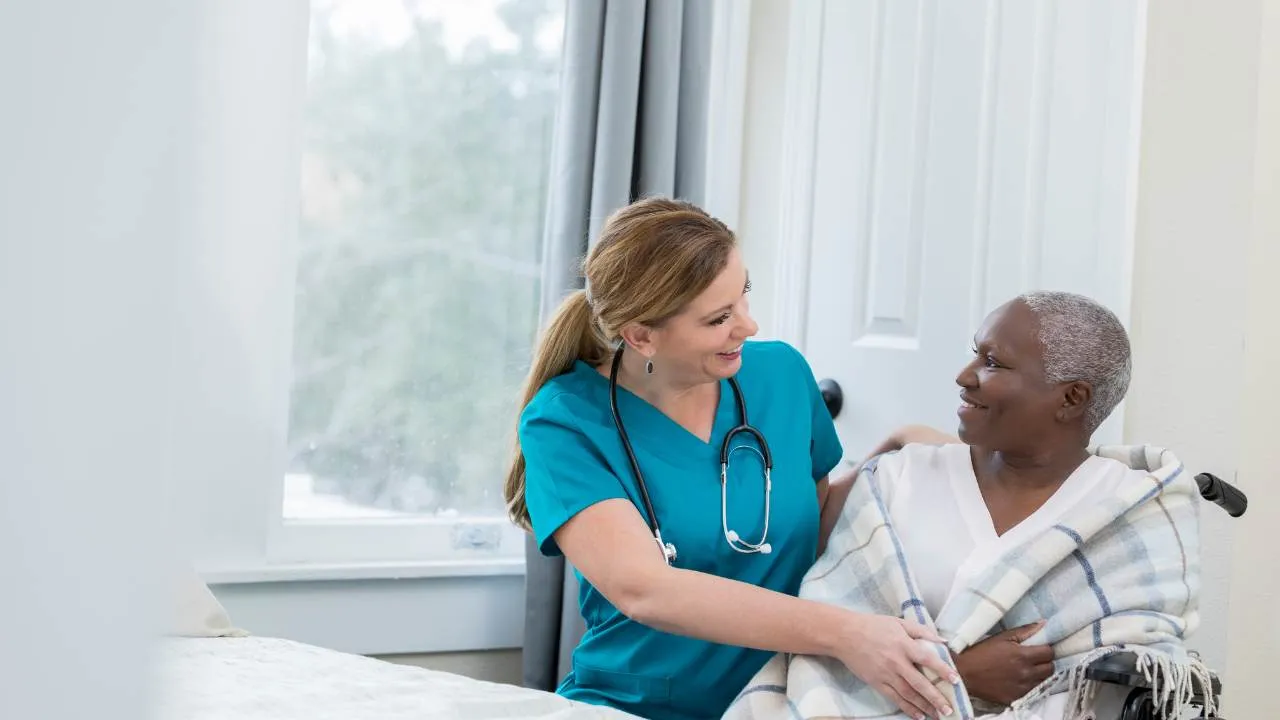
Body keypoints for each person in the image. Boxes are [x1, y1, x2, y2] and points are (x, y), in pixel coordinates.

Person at [503, 197, 960, 720]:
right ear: (641, 336)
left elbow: (807, 525)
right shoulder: (565, 422)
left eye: (744, 294)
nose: (749, 325)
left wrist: (894, 456)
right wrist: (849, 635)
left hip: (786, 699)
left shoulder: (782, 376)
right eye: (720, 318)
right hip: (638, 706)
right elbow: (644, 589)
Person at [726, 292, 1208, 720]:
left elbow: (1117, 683)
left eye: (993, 362)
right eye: (975, 354)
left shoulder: (1135, 510)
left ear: (1071, 399)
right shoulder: (898, 481)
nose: (964, 376)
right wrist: (955, 674)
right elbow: (824, 645)